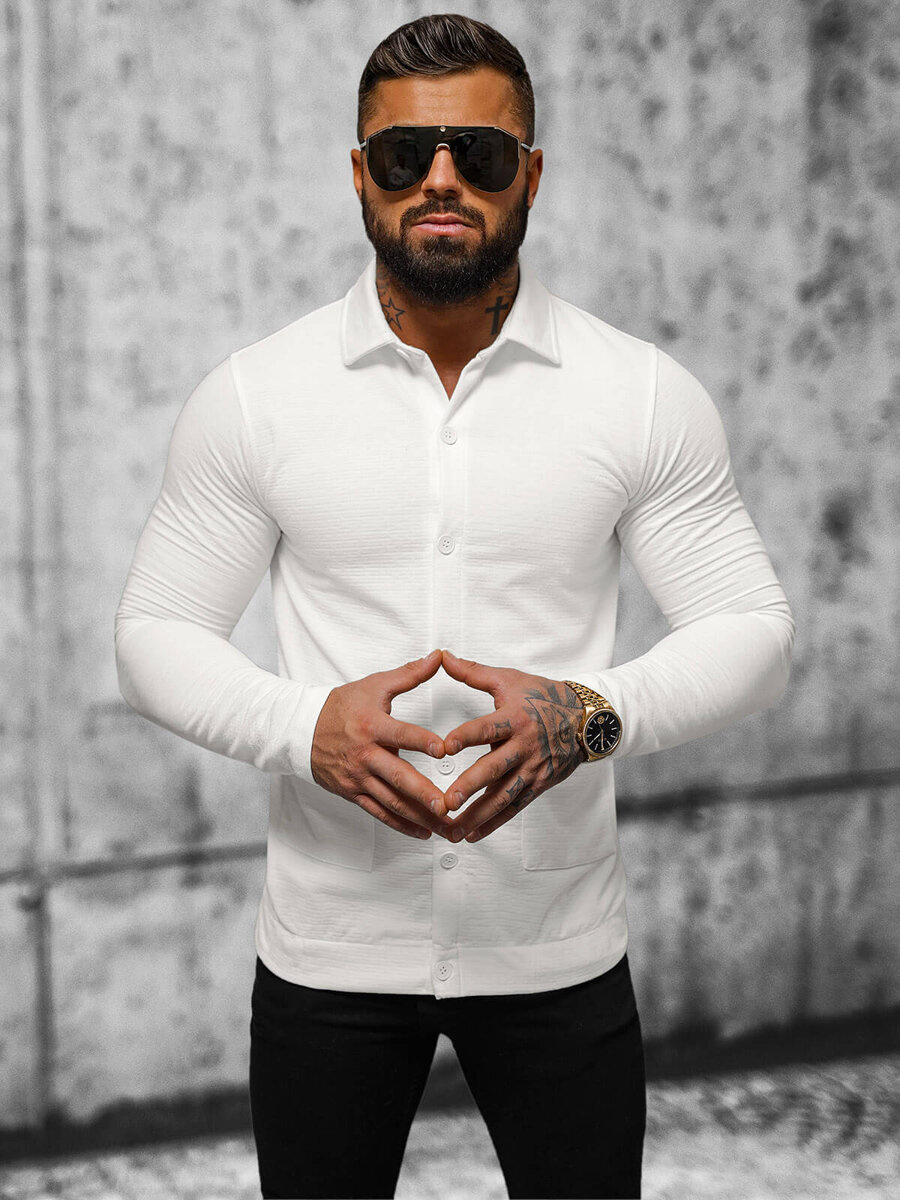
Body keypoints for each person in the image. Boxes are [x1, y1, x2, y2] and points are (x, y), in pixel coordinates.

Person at [114, 13, 796, 1199]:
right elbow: (153, 635)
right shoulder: (257, 398)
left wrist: (585, 712)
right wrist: (304, 728)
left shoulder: (638, 394)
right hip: (331, 949)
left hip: (556, 947)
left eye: (478, 154)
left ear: (530, 173)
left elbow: (753, 633)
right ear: (359, 173)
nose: (440, 179)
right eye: (404, 154)